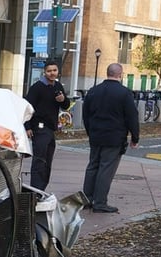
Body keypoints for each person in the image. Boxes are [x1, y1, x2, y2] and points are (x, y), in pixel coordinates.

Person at [81, 63, 140, 213]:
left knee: (92, 166)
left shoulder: (93, 91)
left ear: (107, 73)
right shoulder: (124, 93)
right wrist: (135, 137)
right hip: (114, 137)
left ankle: (87, 199)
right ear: (120, 74)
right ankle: (100, 203)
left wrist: (90, 132)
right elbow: (132, 117)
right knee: (106, 169)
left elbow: (85, 114)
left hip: (95, 135)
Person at [23, 60, 72, 190]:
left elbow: (66, 106)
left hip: (50, 128)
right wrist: (27, 127)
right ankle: (36, 190)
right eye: (49, 71)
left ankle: (42, 189)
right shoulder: (37, 87)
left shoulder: (58, 86)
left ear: (58, 72)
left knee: (47, 160)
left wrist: (63, 100)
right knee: (40, 159)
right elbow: (26, 107)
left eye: (54, 70)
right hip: (39, 127)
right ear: (44, 72)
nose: (52, 73)